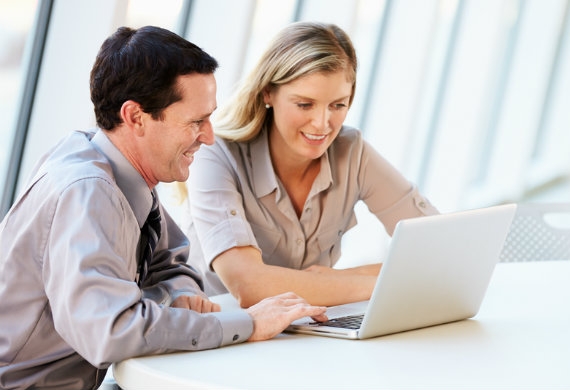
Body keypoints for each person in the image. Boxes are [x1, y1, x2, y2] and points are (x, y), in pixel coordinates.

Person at [0, 26, 326, 389]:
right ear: (136, 117)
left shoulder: (121, 173)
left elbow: (172, 261)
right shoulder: (88, 192)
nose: (209, 136)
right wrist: (247, 325)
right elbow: (112, 331)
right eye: (195, 121)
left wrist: (178, 294)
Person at [183, 21, 439, 309]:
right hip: (219, 334)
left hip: (307, 332)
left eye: (338, 105)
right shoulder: (215, 154)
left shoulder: (351, 152)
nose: (322, 124)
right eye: (305, 104)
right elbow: (249, 285)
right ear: (268, 92)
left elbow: (438, 247)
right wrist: (380, 283)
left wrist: (338, 279)